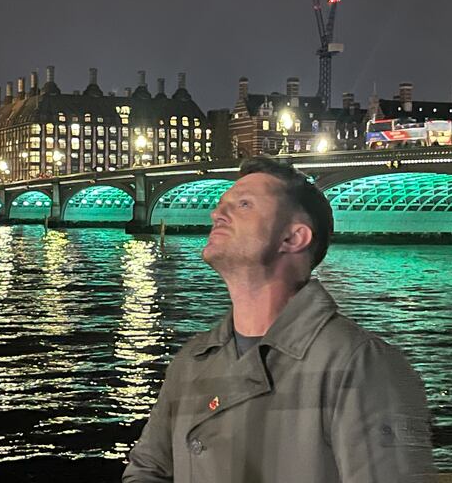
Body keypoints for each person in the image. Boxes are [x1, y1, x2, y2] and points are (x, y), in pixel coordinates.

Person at [123, 157, 436, 483]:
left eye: (244, 204)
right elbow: (146, 471)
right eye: (220, 205)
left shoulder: (362, 365)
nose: (216, 214)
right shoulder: (191, 360)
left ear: (293, 238)